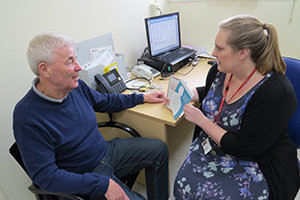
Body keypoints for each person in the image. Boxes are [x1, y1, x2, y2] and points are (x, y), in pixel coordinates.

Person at [13, 32, 170, 200]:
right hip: (83, 173)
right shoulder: (27, 118)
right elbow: (46, 177)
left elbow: (104, 101)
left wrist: (142, 97)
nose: (79, 67)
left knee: (159, 150)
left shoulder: (75, 86)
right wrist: (100, 183)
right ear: (45, 70)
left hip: (105, 151)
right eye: (70, 61)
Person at [173, 15, 299, 200]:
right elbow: (213, 93)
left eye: (220, 48)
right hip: (213, 146)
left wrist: (201, 120)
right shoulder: (219, 70)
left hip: (254, 158)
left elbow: (243, 147)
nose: (213, 53)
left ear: (242, 53)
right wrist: (188, 93)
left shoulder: (276, 92)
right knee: (183, 183)